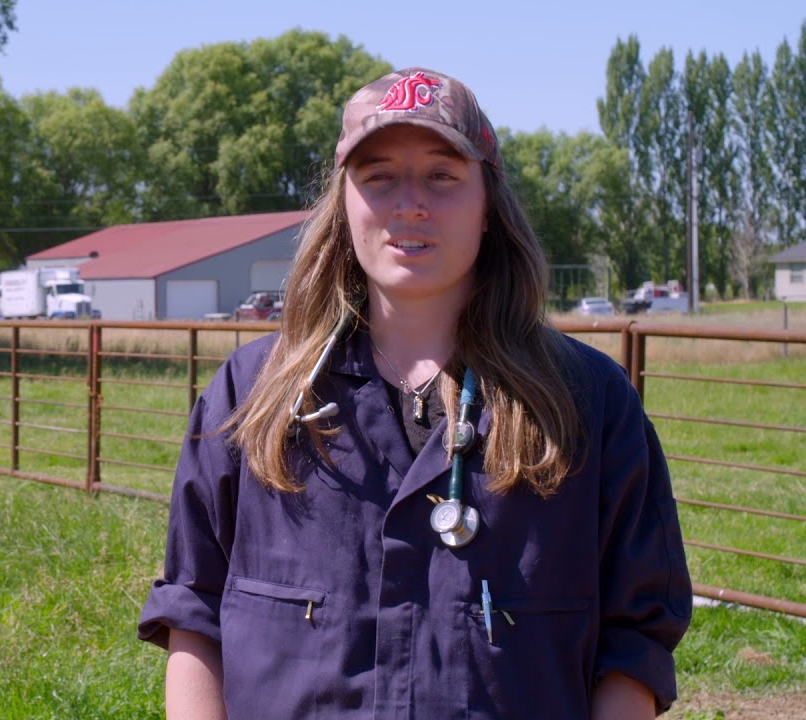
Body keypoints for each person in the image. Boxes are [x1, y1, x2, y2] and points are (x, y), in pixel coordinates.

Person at [137, 67, 692, 719]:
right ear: (344, 205)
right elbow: (193, 614)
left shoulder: (587, 404)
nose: (410, 204)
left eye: (442, 175)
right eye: (378, 177)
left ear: (489, 203)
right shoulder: (249, 395)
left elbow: (635, 638)